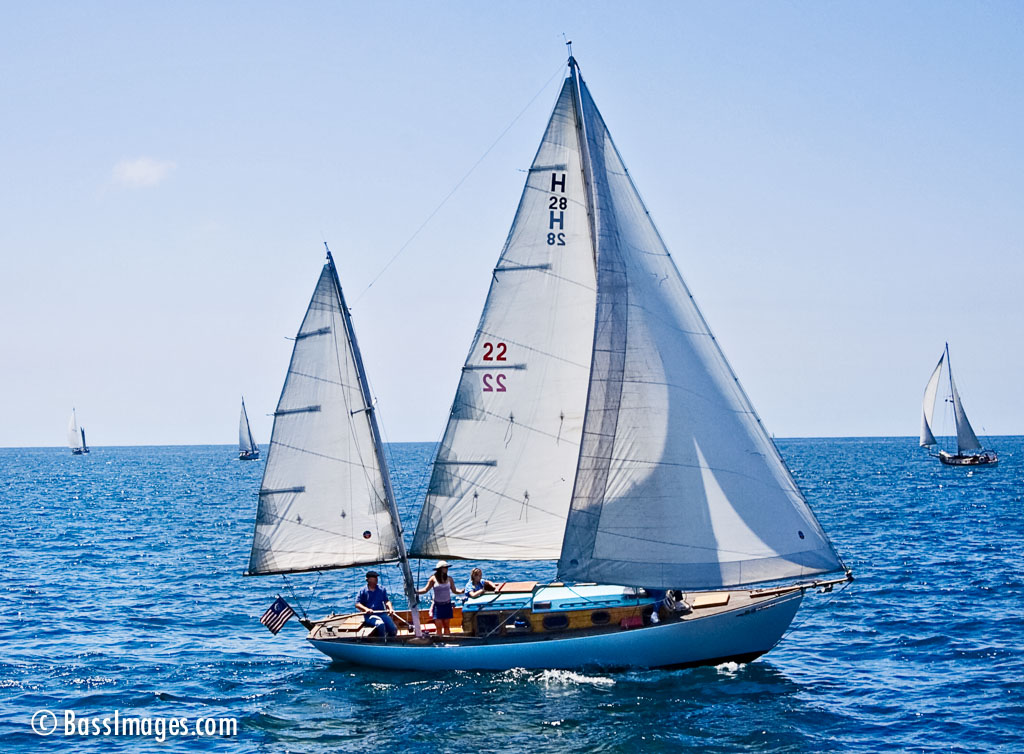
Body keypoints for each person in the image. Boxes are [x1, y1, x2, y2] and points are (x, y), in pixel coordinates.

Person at [417, 560, 461, 635]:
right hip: (438, 606)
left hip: (447, 605)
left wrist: (462, 591)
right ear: (440, 569)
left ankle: (447, 642)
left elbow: (454, 590)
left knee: (447, 626)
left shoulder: (449, 579)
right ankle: (440, 642)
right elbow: (425, 590)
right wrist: (415, 591)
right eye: (445, 568)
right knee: (439, 626)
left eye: (447, 568)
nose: (446, 569)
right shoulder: (433, 579)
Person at [355, 570, 398, 637]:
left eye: (376, 578)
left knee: (393, 628)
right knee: (380, 624)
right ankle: (382, 641)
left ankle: (391, 640)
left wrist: (390, 608)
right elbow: (357, 604)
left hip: (382, 613)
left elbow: (387, 601)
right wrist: (366, 609)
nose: (376, 579)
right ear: (368, 579)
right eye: (374, 578)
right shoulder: (362, 591)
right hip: (370, 616)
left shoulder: (382, 589)